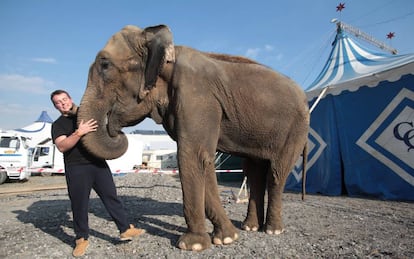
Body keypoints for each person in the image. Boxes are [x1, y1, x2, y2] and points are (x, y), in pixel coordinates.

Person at [50, 89, 144, 257]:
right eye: (59, 102)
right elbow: (62, 146)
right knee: (79, 204)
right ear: (56, 106)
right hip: (77, 168)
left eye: (65, 99)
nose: (63, 103)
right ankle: (81, 239)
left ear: (70, 98)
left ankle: (124, 229)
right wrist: (79, 132)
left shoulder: (85, 115)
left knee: (111, 197)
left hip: (98, 163)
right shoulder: (58, 125)